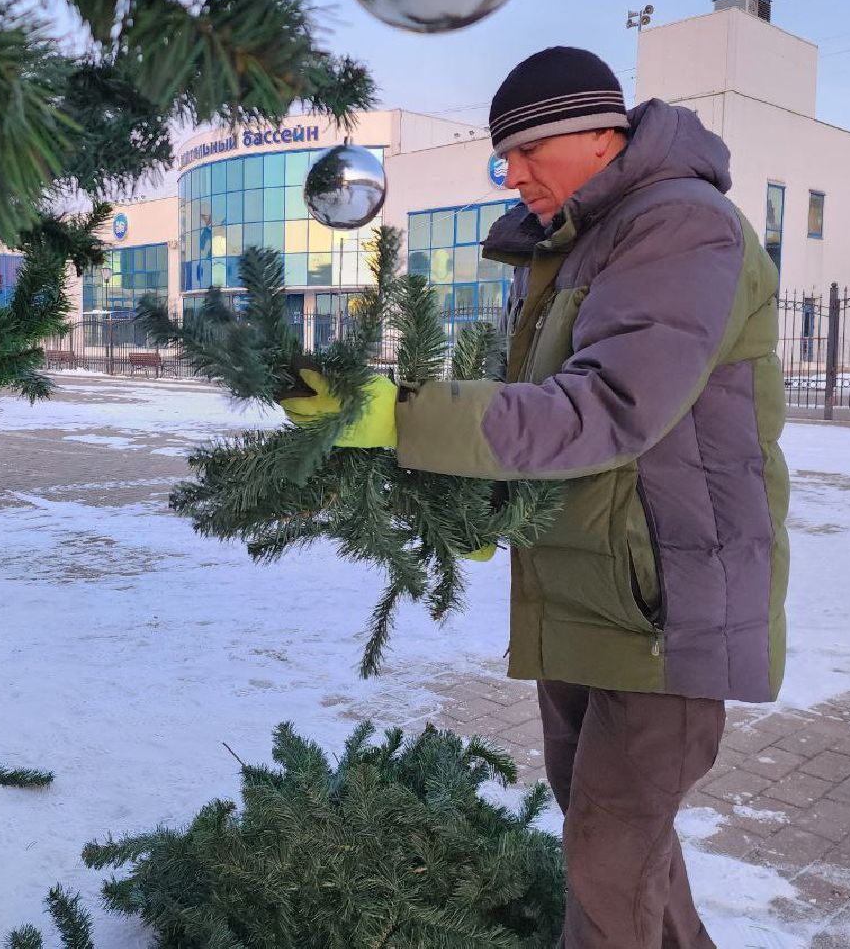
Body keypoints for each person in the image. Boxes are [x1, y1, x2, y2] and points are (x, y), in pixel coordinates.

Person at [283, 46, 789, 948]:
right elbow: (543, 414)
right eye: (502, 157)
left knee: (609, 853)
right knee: (619, 844)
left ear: (602, 135)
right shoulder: (571, 246)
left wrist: (400, 419)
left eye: (526, 152)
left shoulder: (682, 226)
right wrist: (487, 506)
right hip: (586, 582)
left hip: (664, 597)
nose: (510, 175)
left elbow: (605, 407)